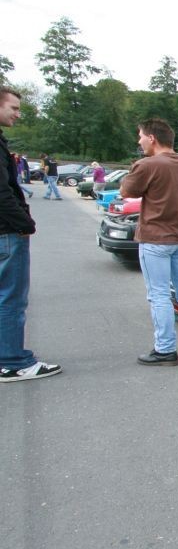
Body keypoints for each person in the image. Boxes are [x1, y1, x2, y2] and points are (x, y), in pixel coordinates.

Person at [120, 118, 178, 366]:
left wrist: (134, 168)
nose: (139, 141)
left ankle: (165, 349)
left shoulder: (147, 165)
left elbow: (126, 192)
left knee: (159, 295)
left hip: (156, 239)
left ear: (152, 138)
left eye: (140, 136)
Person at [0, 87, 62, 382]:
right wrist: (25, 223)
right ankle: (13, 361)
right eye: (13, 108)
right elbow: (3, 193)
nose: (18, 114)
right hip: (7, 231)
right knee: (11, 299)